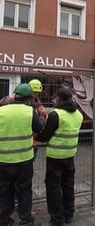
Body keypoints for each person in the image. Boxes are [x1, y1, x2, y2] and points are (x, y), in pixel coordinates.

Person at [35, 87, 83, 226]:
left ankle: (57, 218)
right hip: (70, 155)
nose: (53, 99)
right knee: (68, 185)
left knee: (53, 187)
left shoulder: (56, 114)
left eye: (55, 97)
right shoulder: (78, 114)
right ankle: (69, 214)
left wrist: (37, 132)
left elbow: (45, 136)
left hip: (55, 157)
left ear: (60, 98)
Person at [0, 83, 43, 226]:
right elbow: (38, 128)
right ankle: (25, 220)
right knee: (25, 190)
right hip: (25, 160)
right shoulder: (30, 111)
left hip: (4, 160)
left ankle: (5, 220)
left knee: (4, 192)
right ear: (28, 98)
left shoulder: (2, 111)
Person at [28, 79, 47, 158]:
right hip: (29, 139)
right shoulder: (30, 105)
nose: (36, 95)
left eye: (38, 93)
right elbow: (39, 126)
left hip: (32, 140)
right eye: (35, 92)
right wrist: (42, 114)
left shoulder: (34, 103)